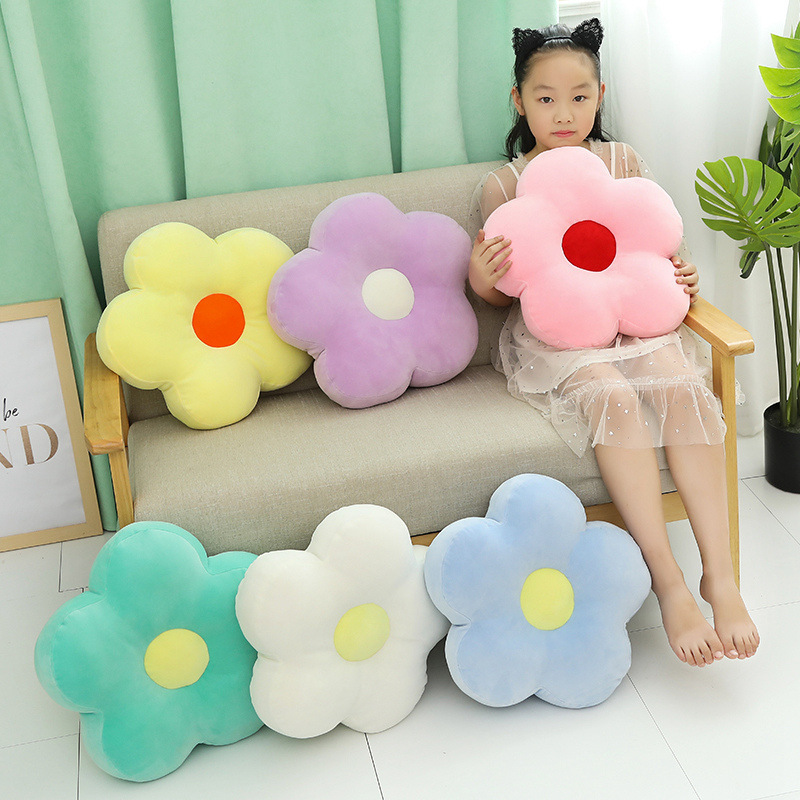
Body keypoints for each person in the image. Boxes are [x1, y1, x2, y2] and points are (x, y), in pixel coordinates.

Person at [470, 18, 760, 667]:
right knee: (615, 397)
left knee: (681, 386)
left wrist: (683, 274)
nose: (563, 113)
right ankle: (670, 584)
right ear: (519, 101)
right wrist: (482, 278)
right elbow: (503, 290)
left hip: (637, 319)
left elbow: (651, 246)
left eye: (579, 96)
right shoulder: (505, 185)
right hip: (562, 335)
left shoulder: (623, 162)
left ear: (600, 95)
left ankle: (720, 577)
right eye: (546, 98)